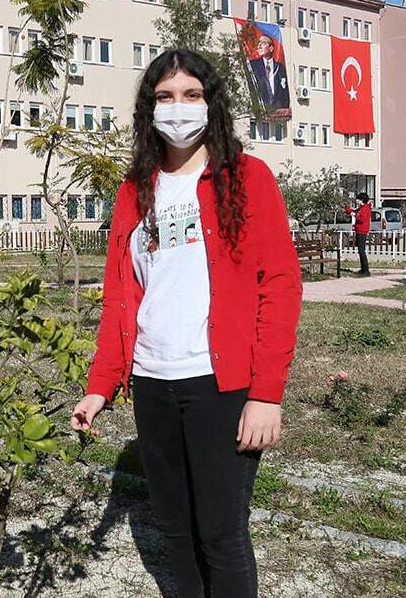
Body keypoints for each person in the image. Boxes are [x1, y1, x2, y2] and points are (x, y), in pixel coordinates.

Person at [70, 49, 302, 598]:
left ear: (211, 104)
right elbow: (121, 296)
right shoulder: (135, 189)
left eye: (191, 95)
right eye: (165, 97)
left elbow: (281, 286)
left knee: (220, 535)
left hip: (220, 385)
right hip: (152, 383)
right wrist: (101, 387)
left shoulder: (247, 177)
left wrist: (266, 394)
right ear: (149, 110)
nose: (178, 109)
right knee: (175, 532)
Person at [247, 34, 289, 110]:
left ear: (271, 48)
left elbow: (284, 92)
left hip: (277, 111)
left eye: (263, 43)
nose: (259, 46)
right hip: (260, 108)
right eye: (258, 43)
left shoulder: (280, 67)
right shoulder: (253, 65)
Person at [345, 192, 372, 276]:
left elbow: (362, 219)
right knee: (360, 251)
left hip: (362, 231)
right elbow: (353, 211)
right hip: (359, 230)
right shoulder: (361, 208)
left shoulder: (365, 209)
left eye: (358, 199)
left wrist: (355, 215)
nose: (356, 200)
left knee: (361, 251)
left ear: (362, 200)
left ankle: (366, 270)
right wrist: (347, 208)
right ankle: (363, 269)